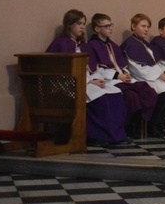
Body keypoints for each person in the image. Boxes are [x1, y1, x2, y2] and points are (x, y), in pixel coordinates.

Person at [46, 10, 130, 147]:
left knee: (115, 93)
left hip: (86, 80)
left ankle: (116, 135)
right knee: (101, 98)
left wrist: (97, 79)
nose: (82, 27)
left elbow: (91, 67)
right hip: (68, 84)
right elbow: (59, 70)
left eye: (84, 24)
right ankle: (95, 136)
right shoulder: (61, 43)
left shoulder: (83, 45)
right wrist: (89, 81)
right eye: (78, 23)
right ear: (69, 25)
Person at [86, 13, 158, 138]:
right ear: (97, 29)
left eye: (111, 25)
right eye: (107, 26)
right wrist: (117, 76)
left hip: (122, 78)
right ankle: (128, 126)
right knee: (132, 97)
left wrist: (126, 74)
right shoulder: (92, 46)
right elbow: (96, 68)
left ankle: (139, 122)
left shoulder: (113, 45)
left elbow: (122, 65)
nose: (110, 28)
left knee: (149, 92)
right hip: (110, 80)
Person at [121, 13, 165, 138]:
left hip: (156, 76)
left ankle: (161, 121)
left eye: (148, 27)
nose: (146, 29)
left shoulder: (147, 45)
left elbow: (156, 63)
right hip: (143, 78)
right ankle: (153, 124)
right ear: (133, 26)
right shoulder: (129, 45)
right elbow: (137, 68)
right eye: (143, 26)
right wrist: (159, 75)